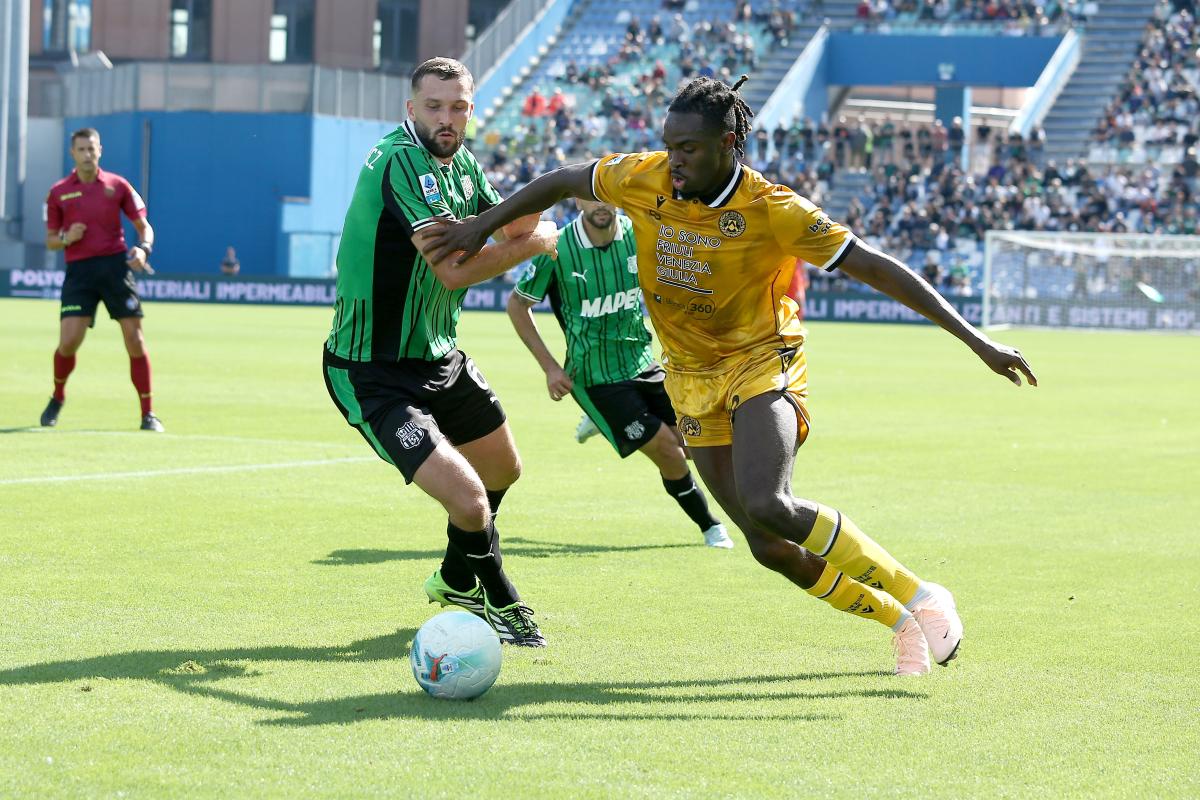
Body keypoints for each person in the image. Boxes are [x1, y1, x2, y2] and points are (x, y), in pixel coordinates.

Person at [424, 76, 1038, 676]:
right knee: (768, 545)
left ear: (728, 146)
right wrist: (481, 226)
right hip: (688, 376)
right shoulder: (644, 177)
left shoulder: (774, 210)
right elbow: (561, 181)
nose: (675, 160)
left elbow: (877, 268)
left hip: (761, 359)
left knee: (769, 503)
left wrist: (976, 340)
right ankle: (900, 623)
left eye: (688, 148)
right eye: (669, 144)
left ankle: (923, 594)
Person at [323, 58, 558, 647]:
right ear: (411, 109)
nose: (446, 119)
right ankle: (504, 604)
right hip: (370, 369)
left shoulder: (465, 166)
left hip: (439, 356)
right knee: (471, 499)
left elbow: (512, 227)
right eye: (434, 106)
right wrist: (542, 240)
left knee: (504, 469)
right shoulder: (399, 160)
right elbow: (453, 271)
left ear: (472, 113)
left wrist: (552, 194)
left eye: (458, 108)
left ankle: (456, 579)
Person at [505, 198, 735, 549]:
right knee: (668, 452)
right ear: (576, 200)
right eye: (589, 197)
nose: (599, 205)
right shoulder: (557, 248)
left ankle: (601, 422)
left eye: (605, 196)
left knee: (691, 445)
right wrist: (550, 367)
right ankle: (711, 527)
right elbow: (517, 304)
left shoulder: (639, 234)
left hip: (644, 362)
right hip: (595, 377)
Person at [41, 127, 162, 432]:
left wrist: (144, 250)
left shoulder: (117, 185)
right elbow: (51, 241)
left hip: (114, 269)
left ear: (100, 151)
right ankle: (58, 396)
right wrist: (68, 236)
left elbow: (144, 226)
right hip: (80, 272)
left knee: (135, 340)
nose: (87, 155)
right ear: (72, 153)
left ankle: (148, 413)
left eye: (92, 149)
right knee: (68, 342)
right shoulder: (57, 192)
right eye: (81, 150)